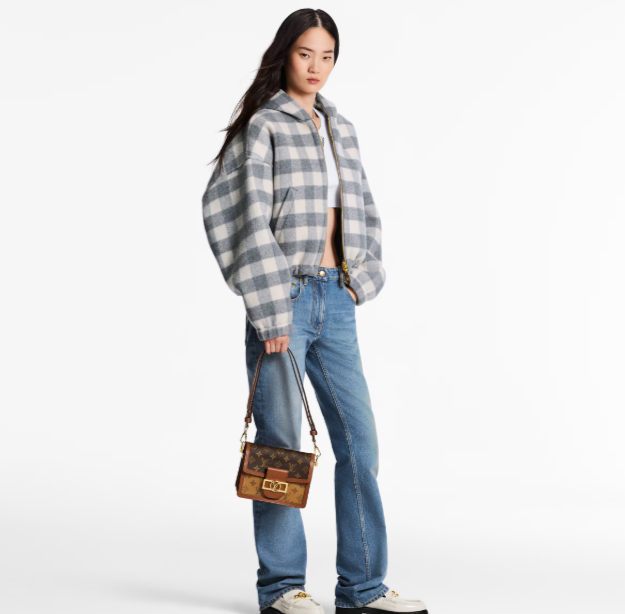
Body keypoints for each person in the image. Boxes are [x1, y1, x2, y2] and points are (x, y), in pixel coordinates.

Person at [201, 9, 428, 614]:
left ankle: (363, 587)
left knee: (360, 443)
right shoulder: (264, 126)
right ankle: (281, 587)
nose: (316, 67)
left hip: (337, 297)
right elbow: (235, 215)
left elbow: (364, 210)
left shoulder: (340, 128)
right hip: (285, 299)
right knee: (281, 445)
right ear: (286, 54)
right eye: (306, 54)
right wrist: (271, 307)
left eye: (327, 56)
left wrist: (361, 280)